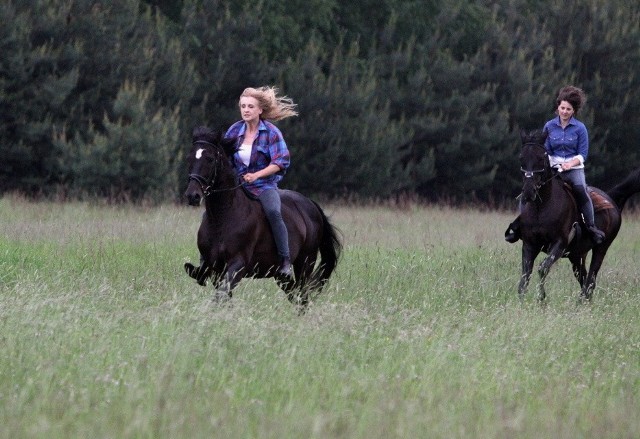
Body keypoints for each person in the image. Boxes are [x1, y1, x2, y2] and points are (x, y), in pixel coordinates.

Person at [186, 86, 298, 283]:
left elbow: (281, 162)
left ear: (260, 110)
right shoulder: (235, 130)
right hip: (237, 185)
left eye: (250, 106)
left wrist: (257, 175)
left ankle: (285, 262)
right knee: (210, 213)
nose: (246, 110)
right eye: (243, 106)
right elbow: (222, 158)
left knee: (273, 211)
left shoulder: (271, 133)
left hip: (264, 186)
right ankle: (205, 264)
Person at [505, 85, 605, 245]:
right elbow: (545, 151)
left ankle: (591, 228)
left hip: (573, 169)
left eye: (568, 109)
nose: (564, 112)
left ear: (574, 111)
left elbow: (583, 154)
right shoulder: (549, 126)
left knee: (581, 190)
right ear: (558, 107)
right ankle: (520, 226)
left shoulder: (580, 129)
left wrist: (569, 164)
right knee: (528, 189)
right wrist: (553, 163)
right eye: (562, 108)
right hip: (552, 167)